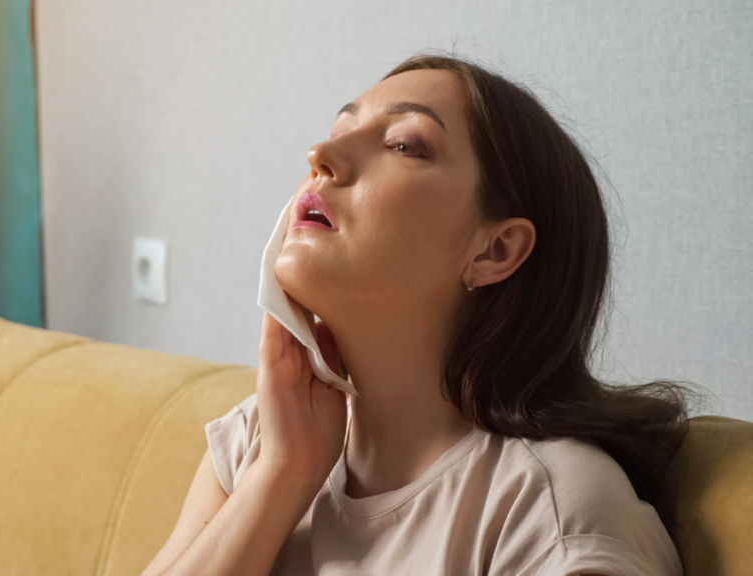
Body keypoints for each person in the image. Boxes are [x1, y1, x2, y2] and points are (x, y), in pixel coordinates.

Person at [141, 53, 691, 575]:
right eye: (338, 132)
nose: (320, 157)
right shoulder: (259, 439)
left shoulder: (549, 514)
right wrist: (283, 475)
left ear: (494, 250)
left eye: (404, 145)